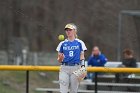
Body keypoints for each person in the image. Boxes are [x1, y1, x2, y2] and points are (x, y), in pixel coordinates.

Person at [56, 23, 87, 93]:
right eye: (67, 30)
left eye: (70, 30)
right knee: (63, 90)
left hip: (76, 68)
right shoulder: (62, 43)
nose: (68, 31)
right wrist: (60, 58)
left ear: (74, 31)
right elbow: (59, 60)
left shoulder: (80, 42)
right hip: (64, 68)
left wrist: (83, 66)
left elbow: (82, 56)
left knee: (73, 90)